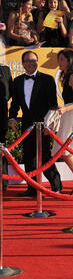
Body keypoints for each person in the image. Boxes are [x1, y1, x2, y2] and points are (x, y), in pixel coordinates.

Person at [9, 50, 62, 197]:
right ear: (23, 64)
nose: (32, 63)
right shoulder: (18, 81)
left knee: (45, 156)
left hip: (43, 125)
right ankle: (32, 188)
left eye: (34, 60)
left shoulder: (47, 79)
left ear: (37, 62)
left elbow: (53, 105)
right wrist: (12, 117)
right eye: (28, 61)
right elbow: (15, 103)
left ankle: (56, 186)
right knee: (29, 156)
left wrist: (49, 125)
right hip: (27, 124)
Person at [52, 49, 73, 190]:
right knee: (67, 150)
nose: (59, 62)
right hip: (69, 114)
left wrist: (65, 109)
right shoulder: (68, 76)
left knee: (63, 150)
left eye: (61, 59)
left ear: (69, 61)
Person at [0, 63, 13, 191]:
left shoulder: (4, 69)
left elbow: (9, 92)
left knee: (1, 149)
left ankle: (3, 182)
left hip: (1, 115)